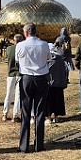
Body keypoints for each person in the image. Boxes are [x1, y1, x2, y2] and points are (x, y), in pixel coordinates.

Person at [16, 23, 50, 153]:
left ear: (25, 33)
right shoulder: (44, 44)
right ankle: (39, 144)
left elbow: (17, 60)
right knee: (40, 111)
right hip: (41, 77)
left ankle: (24, 145)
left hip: (26, 78)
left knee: (25, 111)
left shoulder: (20, 45)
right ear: (36, 32)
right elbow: (48, 58)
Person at [46, 41, 68, 124]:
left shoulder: (46, 58)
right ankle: (56, 117)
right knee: (57, 100)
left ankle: (48, 117)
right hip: (58, 83)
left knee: (48, 101)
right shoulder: (60, 59)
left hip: (48, 84)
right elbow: (64, 71)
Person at [1, 34, 22, 122]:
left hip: (10, 73)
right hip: (20, 73)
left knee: (8, 94)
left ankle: (5, 114)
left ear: (14, 40)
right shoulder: (21, 49)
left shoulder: (9, 49)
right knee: (18, 95)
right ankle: (15, 115)